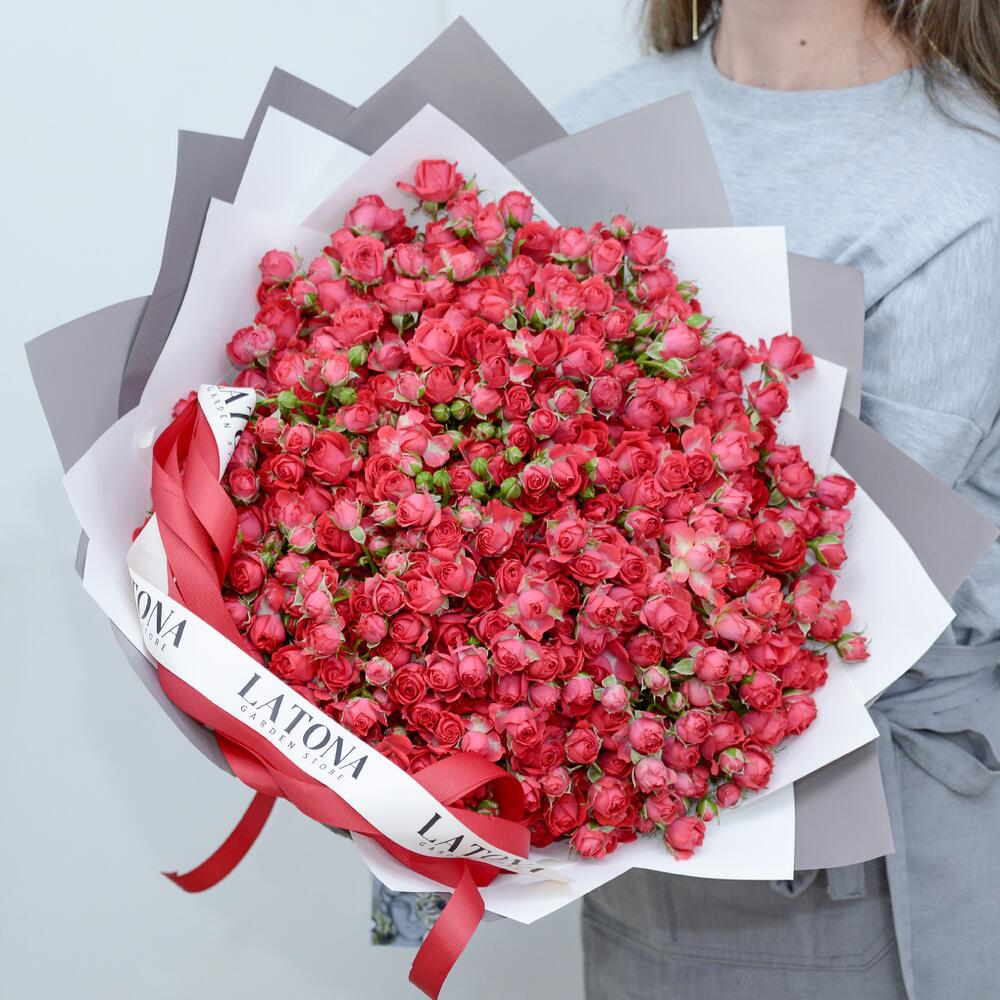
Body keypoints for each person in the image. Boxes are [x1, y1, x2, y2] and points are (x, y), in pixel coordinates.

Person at [556, 2, 1000, 998]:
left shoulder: (970, 189)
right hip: (643, 852)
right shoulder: (581, 136)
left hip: (861, 872)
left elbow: (844, 590)